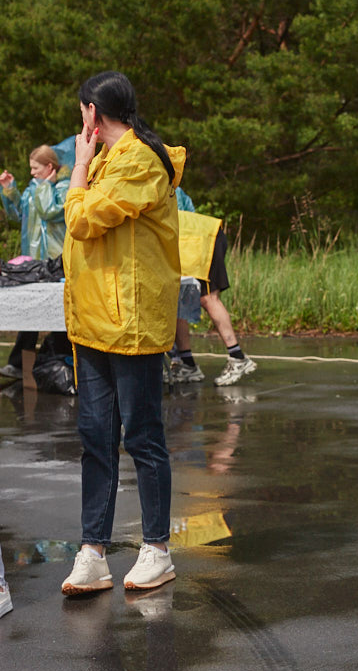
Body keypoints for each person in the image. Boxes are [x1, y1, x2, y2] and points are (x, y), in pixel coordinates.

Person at [59, 71, 184, 595]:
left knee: (142, 436)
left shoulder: (137, 161)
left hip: (129, 322)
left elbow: (81, 220)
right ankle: (94, 550)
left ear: (93, 112)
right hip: (93, 322)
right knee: (96, 439)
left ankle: (156, 547)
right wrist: (88, 166)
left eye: (82, 112)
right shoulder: (113, 158)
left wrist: (80, 166)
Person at [0, 146, 71, 380]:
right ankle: (19, 363)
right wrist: (10, 191)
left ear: (50, 167)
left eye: (35, 168)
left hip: (56, 260)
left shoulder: (64, 188)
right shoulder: (34, 188)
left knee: (61, 312)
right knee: (30, 307)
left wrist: (46, 187)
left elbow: (51, 211)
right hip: (34, 259)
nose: (31, 173)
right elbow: (19, 216)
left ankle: (62, 364)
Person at [168, 198, 256, 386]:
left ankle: (238, 357)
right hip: (186, 242)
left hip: (201, 241)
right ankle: (187, 363)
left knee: (208, 298)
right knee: (176, 299)